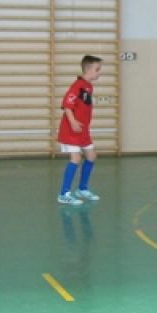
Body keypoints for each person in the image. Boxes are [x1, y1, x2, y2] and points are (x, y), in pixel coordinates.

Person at [56, 55, 103, 205]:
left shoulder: (89, 86)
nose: (99, 72)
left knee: (91, 156)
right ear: (88, 70)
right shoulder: (77, 86)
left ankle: (82, 189)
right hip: (71, 130)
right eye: (97, 69)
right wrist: (73, 122)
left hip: (83, 131)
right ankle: (64, 194)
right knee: (76, 159)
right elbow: (67, 105)